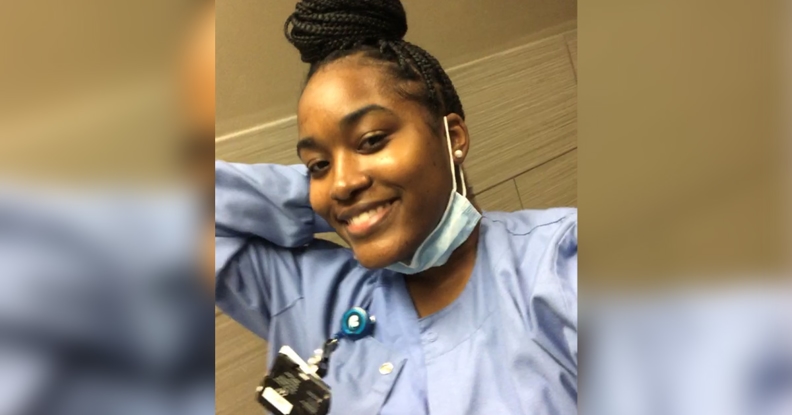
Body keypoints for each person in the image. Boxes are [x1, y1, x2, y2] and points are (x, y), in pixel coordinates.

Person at [215, 0, 577, 413]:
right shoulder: (310, 295)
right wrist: (335, 198)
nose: (342, 181)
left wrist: (375, 193)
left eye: (371, 141)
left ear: (452, 137)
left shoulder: (560, 268)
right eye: (318, 164)